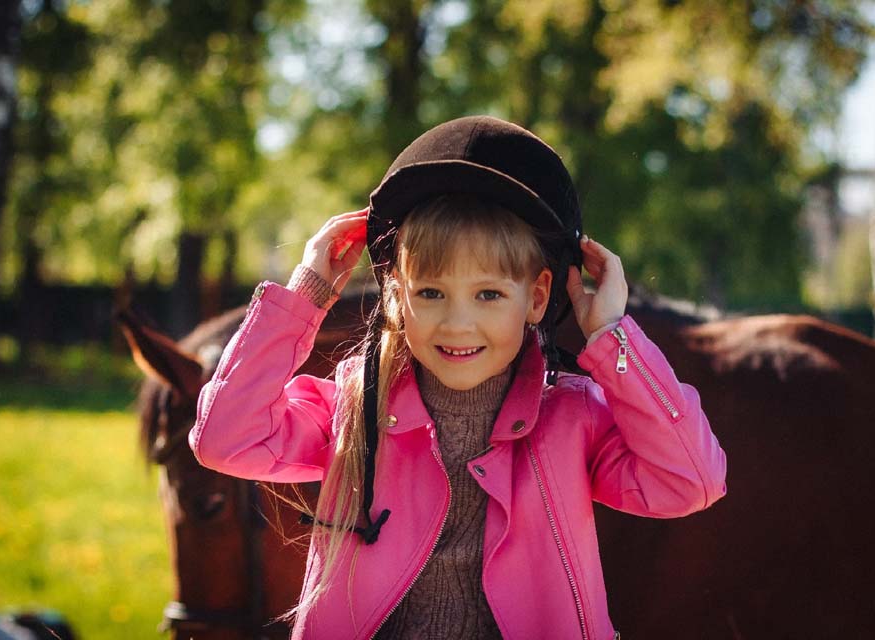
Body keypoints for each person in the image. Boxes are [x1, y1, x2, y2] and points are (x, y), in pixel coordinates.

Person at [190, 116, 727, 639]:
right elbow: (224, 439)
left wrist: (611, 335)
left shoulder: (572, 417)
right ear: (397, 296)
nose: (457, 322)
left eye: (489, 294)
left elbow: (690, 482)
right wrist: (306, 296)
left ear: (537, 297)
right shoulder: (354, 411)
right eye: (431, 293)